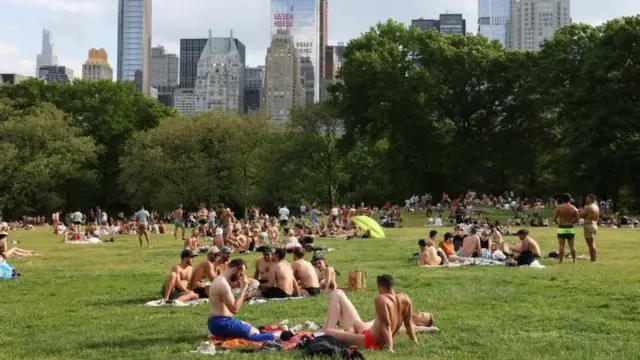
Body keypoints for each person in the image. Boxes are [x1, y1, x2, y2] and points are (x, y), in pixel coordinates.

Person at [324, 275, 418, 352]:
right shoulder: (405, 298)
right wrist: (414, 341)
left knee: (329, 332)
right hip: (372, 335)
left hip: (370, 341)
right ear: (392, 285)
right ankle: (348, 332)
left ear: (380, 286)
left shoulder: (381, 299)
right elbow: (408, 323)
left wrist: (390, 348)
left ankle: (337, 332)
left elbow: (386, 325)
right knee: (356, 324)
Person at [207, 258, 277, 342]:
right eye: (241, 274)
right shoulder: (223, 284)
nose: (240, 277)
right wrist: (243, 288)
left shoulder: (220, 280)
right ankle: (280, 336)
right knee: (255, 333)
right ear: (235, 270)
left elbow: (228, 306)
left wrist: (244, 298)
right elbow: (234, 309)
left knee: (251, 328)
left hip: (217, 322)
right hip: (221, 323)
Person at [553, 193, 580, 263]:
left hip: (562, 227)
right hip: (570, 227)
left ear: (563, 199)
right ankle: (574, 261)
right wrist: (571, 222)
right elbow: (577, 219)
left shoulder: (559, 207)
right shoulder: (574, 208)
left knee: (561, 245)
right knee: (572, 245)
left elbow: (554, 219)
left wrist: (558, 223)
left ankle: (560, 261)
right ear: (570, 199)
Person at [580, 194, 600, 262]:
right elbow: (597, 218)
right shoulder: (597, 207)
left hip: (589, 226)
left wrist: (580, 211)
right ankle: (594, 259)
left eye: (587, 198)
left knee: (591, 244)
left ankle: (593, 259)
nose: (586, 200)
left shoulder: (588, 207)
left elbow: (581, 215)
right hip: (595, 225)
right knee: (592, 243)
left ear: (590, 199)